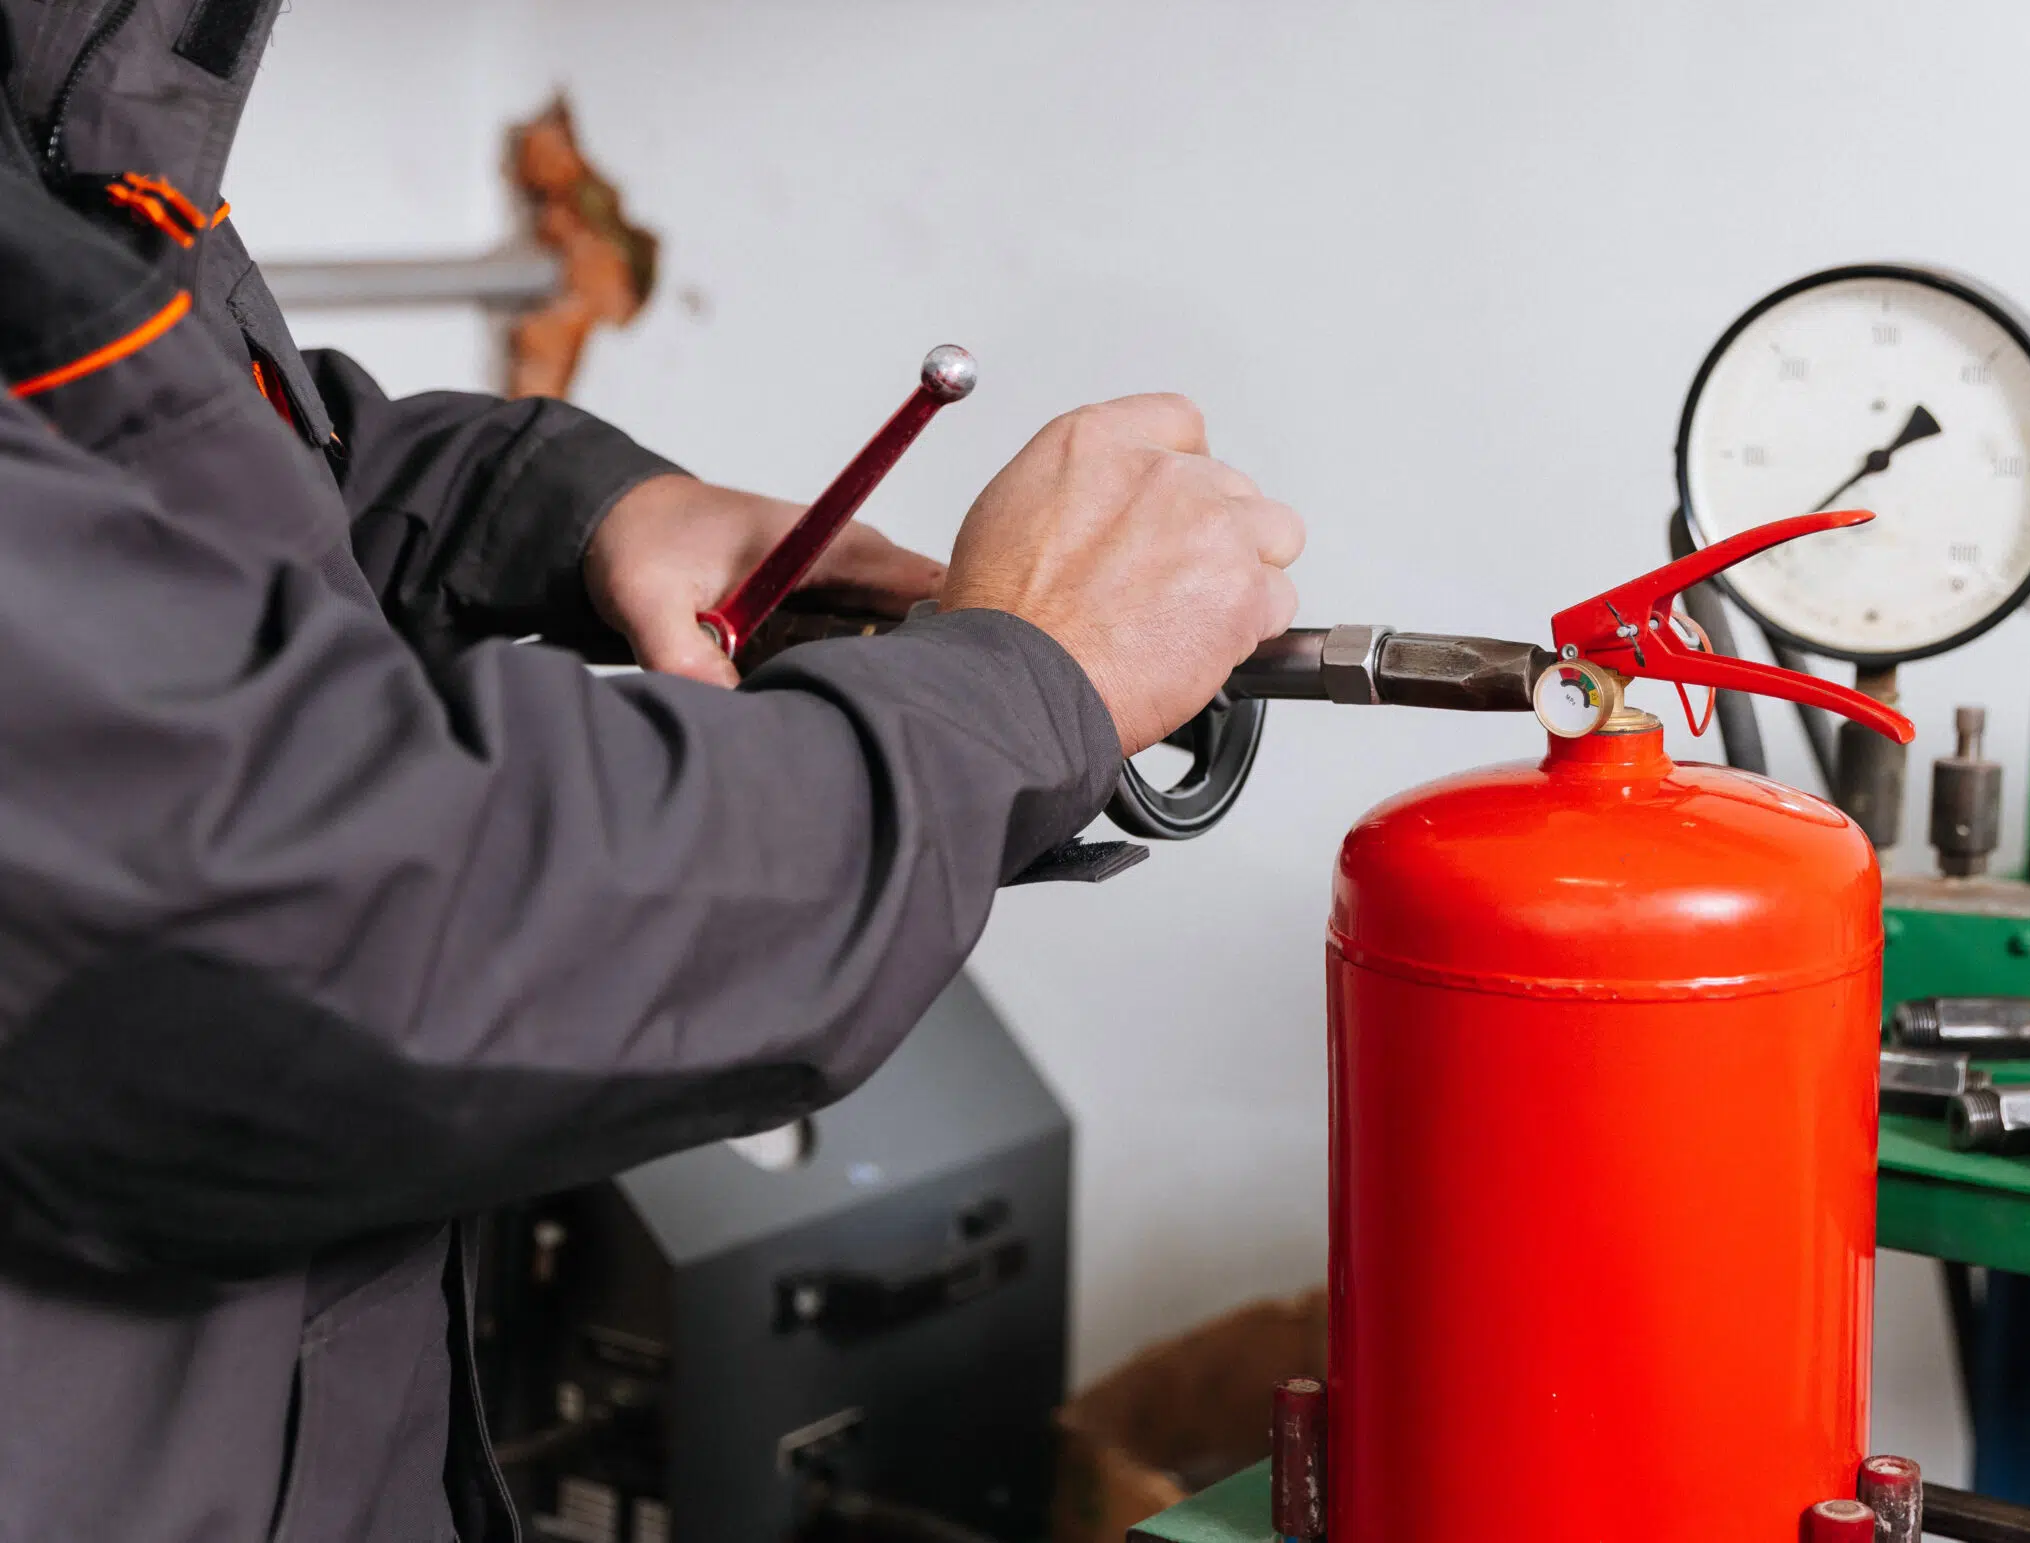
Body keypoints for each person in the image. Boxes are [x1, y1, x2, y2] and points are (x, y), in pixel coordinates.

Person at [0, 3, 1302, 1538]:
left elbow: (152, 498)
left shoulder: (76, 114)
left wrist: (571, 511)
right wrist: (1013, 693)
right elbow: (336, 925)